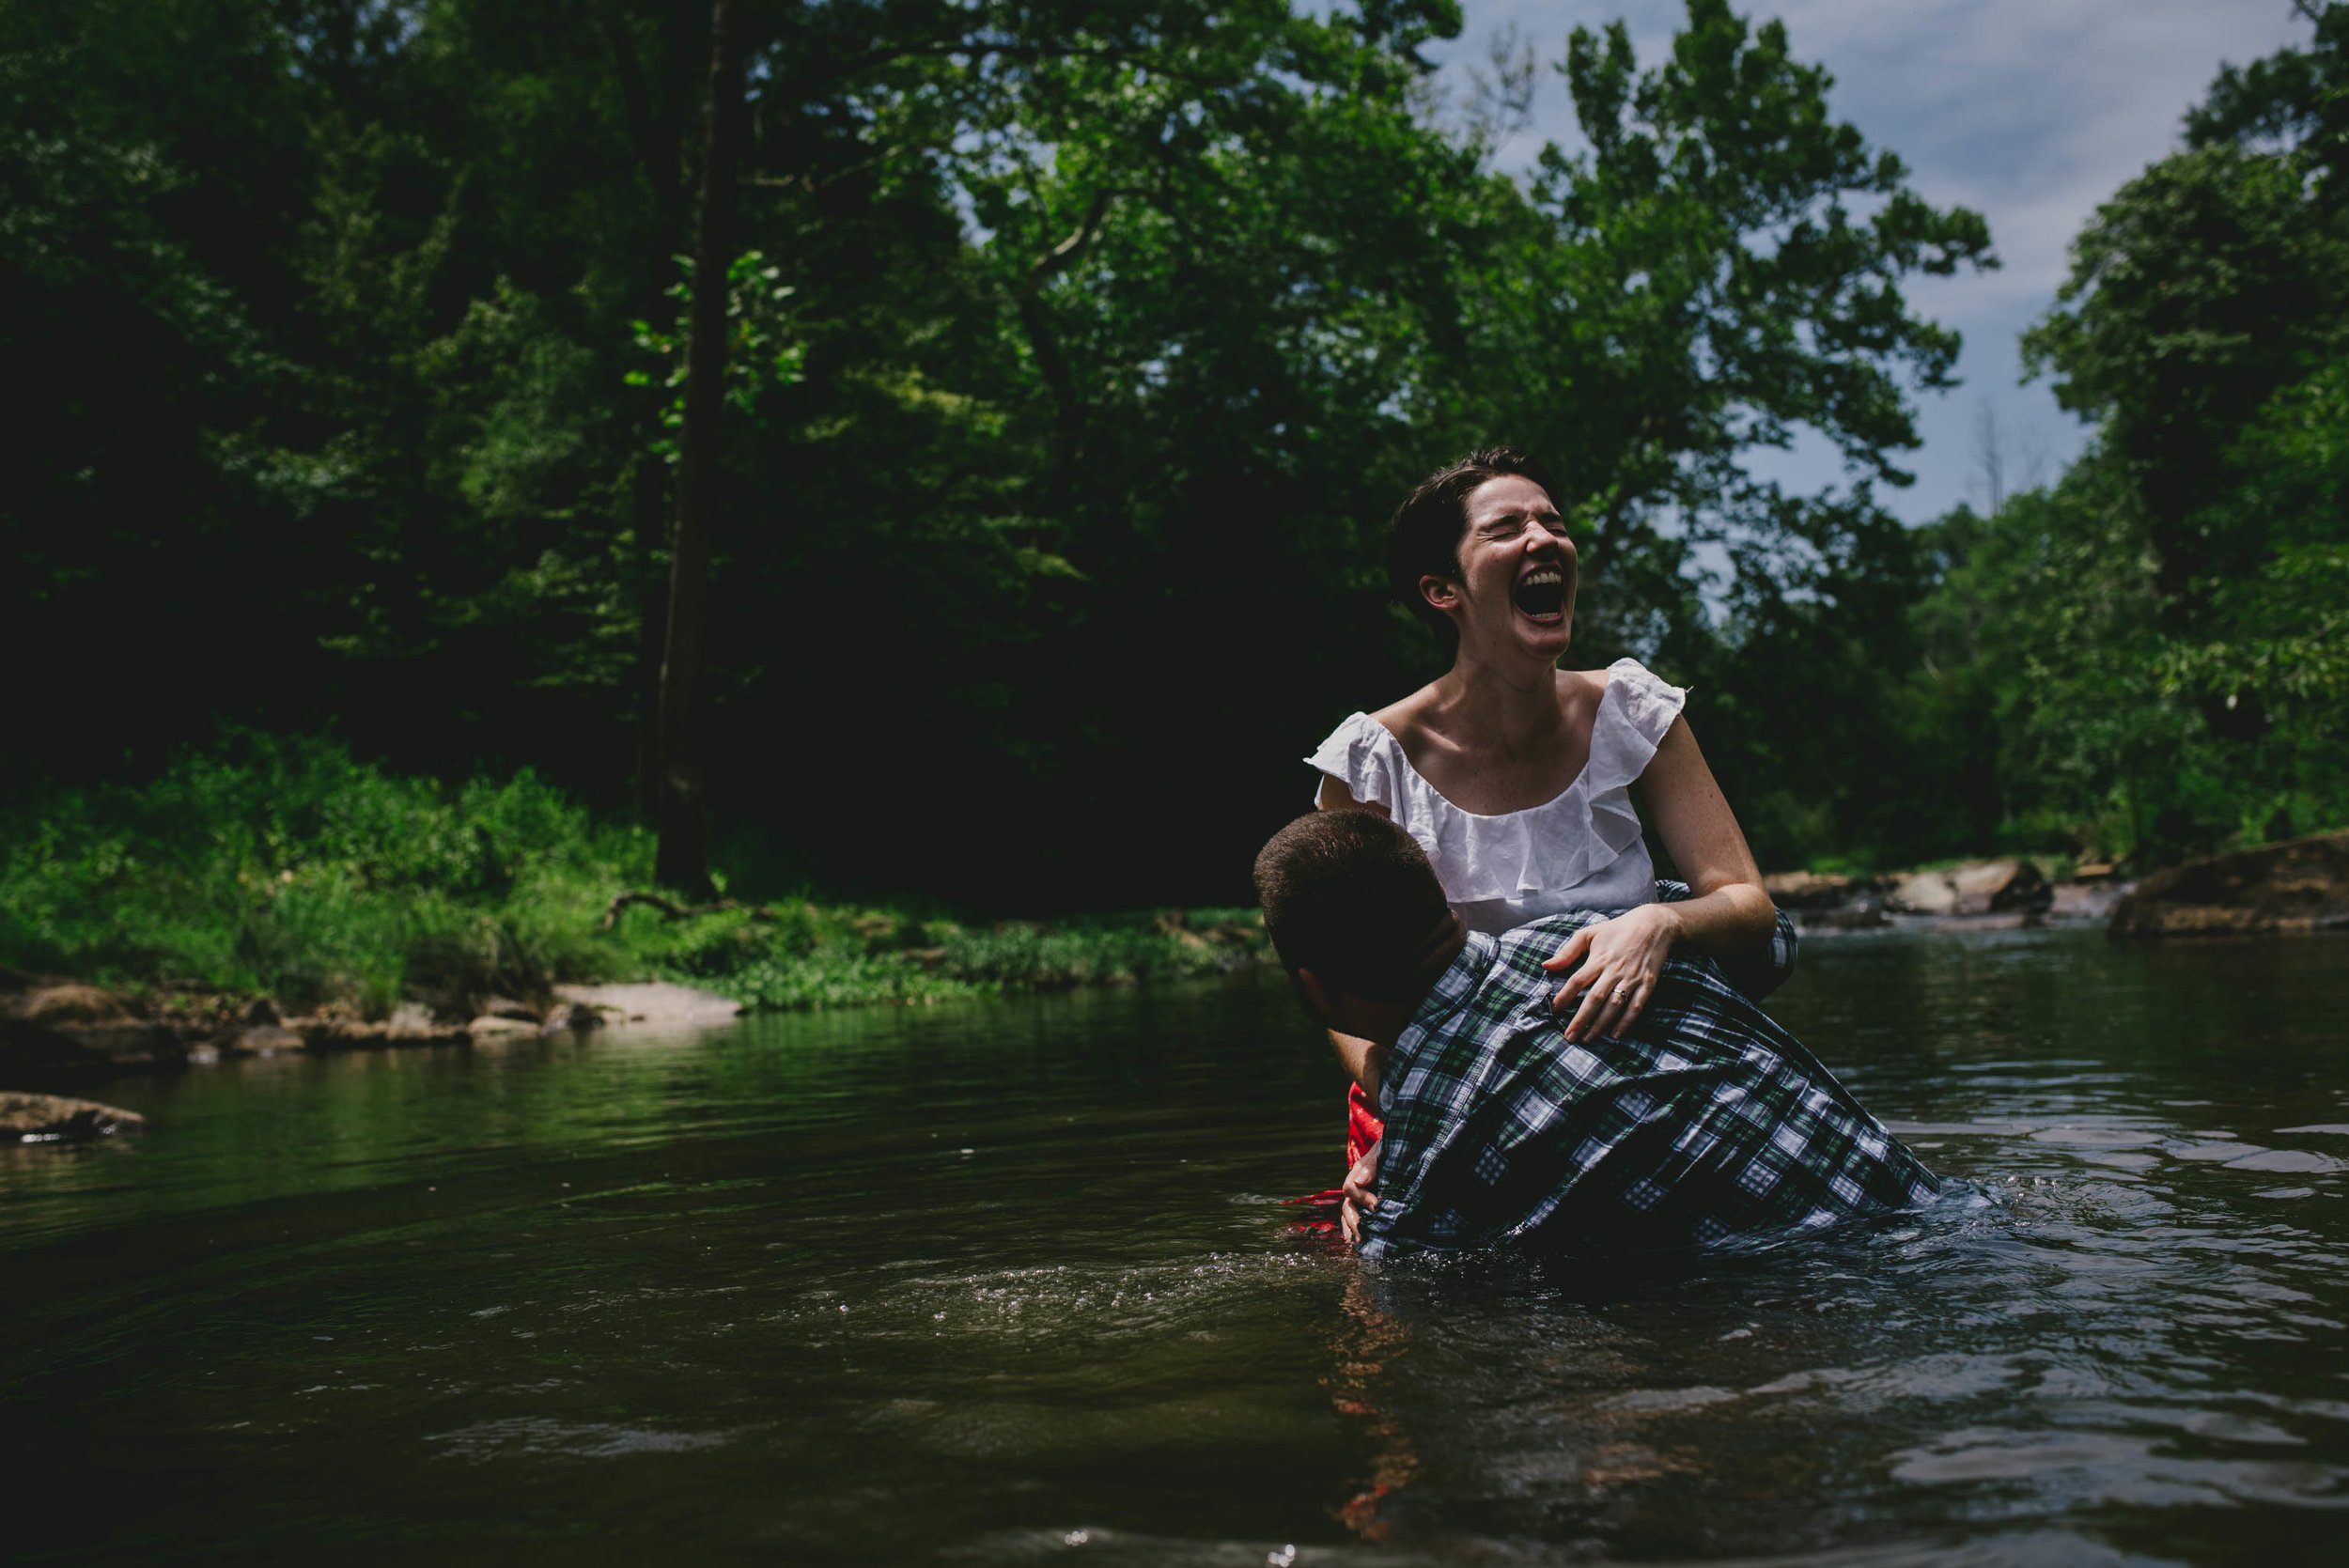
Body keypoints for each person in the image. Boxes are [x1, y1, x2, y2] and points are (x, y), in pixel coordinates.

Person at [1304, 447, 1791, 1238]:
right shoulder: (1369, 762)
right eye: (1507, 528)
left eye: (1554, 524)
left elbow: (1748, 903)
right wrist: (1401, 1094)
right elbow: (1336, 981)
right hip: (1447, 1085)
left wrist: (1658, 923)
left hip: (1633, 1074)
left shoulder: (1634, 708)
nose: (1545, 539)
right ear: (1443, 590)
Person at [1255, 810, 1938, 1258]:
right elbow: (1775, 942)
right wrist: (1667, 919)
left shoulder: (1418, 1177)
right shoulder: (1606, 935)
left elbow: (1408, 1310)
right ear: (1435, 896)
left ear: (1313, 987)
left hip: (1820, 1288)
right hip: (1940, 1210)